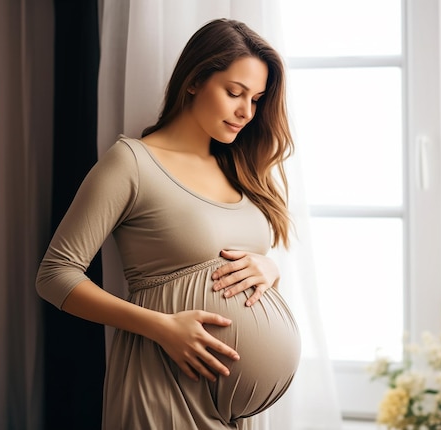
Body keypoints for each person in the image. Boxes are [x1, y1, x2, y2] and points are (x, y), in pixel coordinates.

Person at [36, 18, 300, 429]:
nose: (246, 112)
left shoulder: (241, 169)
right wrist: (163, 327)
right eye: (235, 93)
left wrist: (270, 269)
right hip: (161, 385)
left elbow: (240, 267)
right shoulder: (133, 163)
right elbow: (54, 275)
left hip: (234, 410)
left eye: (257, 99)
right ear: (194, 81)